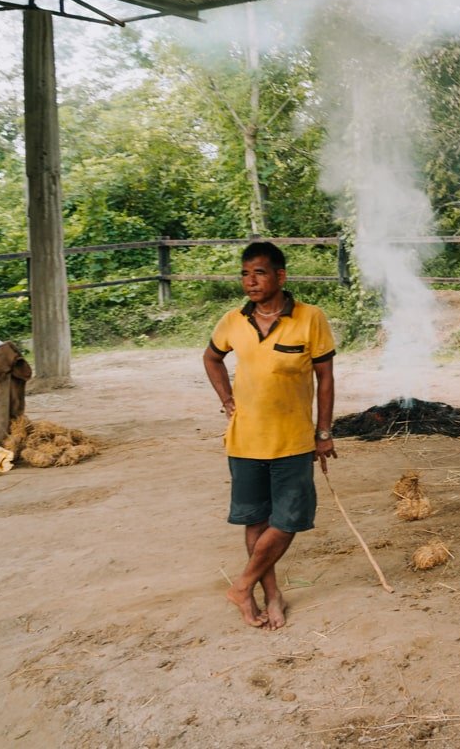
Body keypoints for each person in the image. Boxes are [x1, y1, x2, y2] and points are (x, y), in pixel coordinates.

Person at [202, 241, 336, 630]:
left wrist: (324, 432)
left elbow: (325, 377)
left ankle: (241, 584)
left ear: (280, 276)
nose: (250, 281)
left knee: (290, 519)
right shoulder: (232, 321)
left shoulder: (310, 318)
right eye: (245, 273)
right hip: (244, 440)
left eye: (259, 273)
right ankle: (268, 594)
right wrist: (226, 398)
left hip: (294, 440)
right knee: (255, 521)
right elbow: (212, 358)